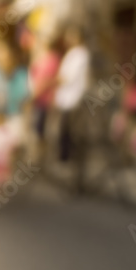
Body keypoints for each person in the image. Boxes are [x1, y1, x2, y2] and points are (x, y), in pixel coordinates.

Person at [54, 26, 91, 173]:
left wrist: (53, 81)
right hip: (67, 97)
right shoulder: (73, 53)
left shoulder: (81, 54)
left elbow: (68, 77)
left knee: (70, 129)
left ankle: (68, 157)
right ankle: (66, 157)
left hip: (73, 98)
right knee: (65, 128)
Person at [29, 34, 63, 162]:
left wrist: (35, 93)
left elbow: (48, 80)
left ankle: (42, 157)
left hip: (44, 99)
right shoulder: (41, 58)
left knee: (41, 129)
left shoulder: (52, 59)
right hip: (39, 98)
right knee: (38, 129)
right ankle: (40, 156)